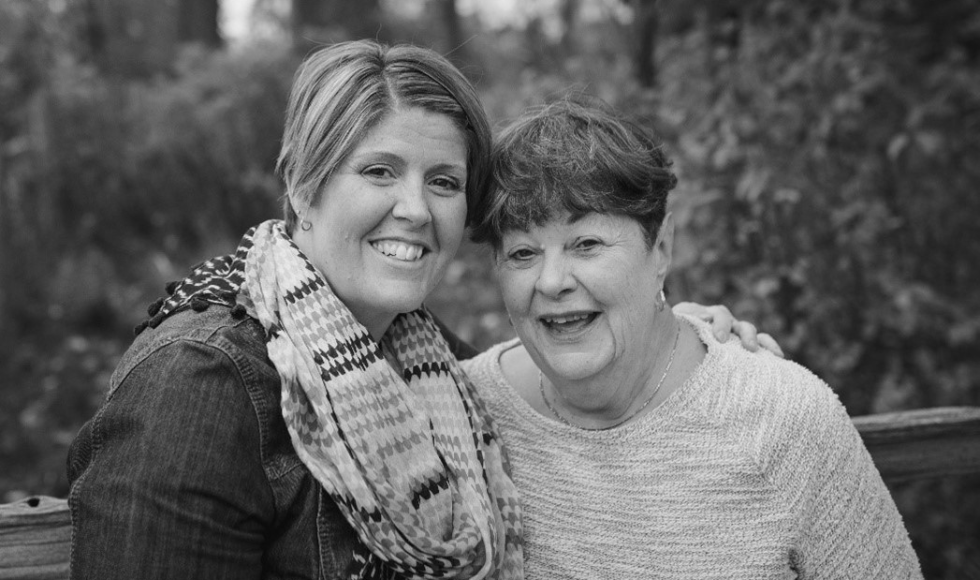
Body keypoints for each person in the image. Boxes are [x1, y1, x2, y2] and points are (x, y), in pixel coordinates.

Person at [66, 41, 770, 579]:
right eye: (378, 171)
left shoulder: (428, 362)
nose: (415, 210)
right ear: (303, 187)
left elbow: (552, 371)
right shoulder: (200, 385)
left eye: (442, 181)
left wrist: (677, 335)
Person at [462, 97, 923, 579]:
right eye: (521, 253)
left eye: (587, 244)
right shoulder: (461, 413)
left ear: (660, 248)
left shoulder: (784, 419)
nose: (552, 281)